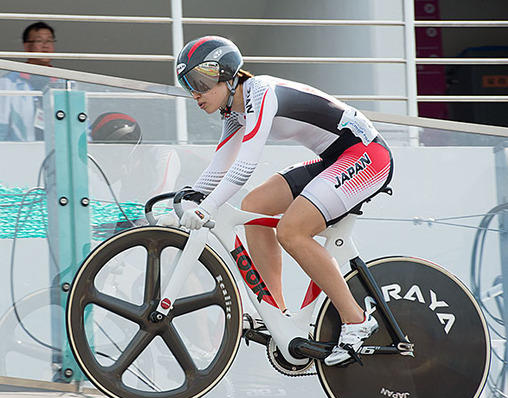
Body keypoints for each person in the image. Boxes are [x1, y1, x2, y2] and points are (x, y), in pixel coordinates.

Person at [169, 36, 393, 366]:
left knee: (292, 232)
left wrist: (207, 207)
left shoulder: (260, 92)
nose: (196, 93)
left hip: (367, 155)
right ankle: (275, 312)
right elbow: (220, 165)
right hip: (334, 158)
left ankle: (357, 321)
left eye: (201, 82)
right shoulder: (234, 111)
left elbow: (245, 165)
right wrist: (190, 199)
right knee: (253, 208)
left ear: (228, 73)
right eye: (188, 85)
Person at [89, 112, 181, 232]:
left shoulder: (161, 156)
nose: (94, 170)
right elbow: (121, 232)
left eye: (100, 156)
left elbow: (155, 210)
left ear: (120, 153)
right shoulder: (129, 183)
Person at [0, 22, 65, 142]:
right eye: (39, 41)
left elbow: (81, 127)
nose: (45, 46)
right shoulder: (8, 82)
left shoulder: (65, 83)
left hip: (58, 155)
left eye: (49, 41)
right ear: (27, 46)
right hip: (20, 155)